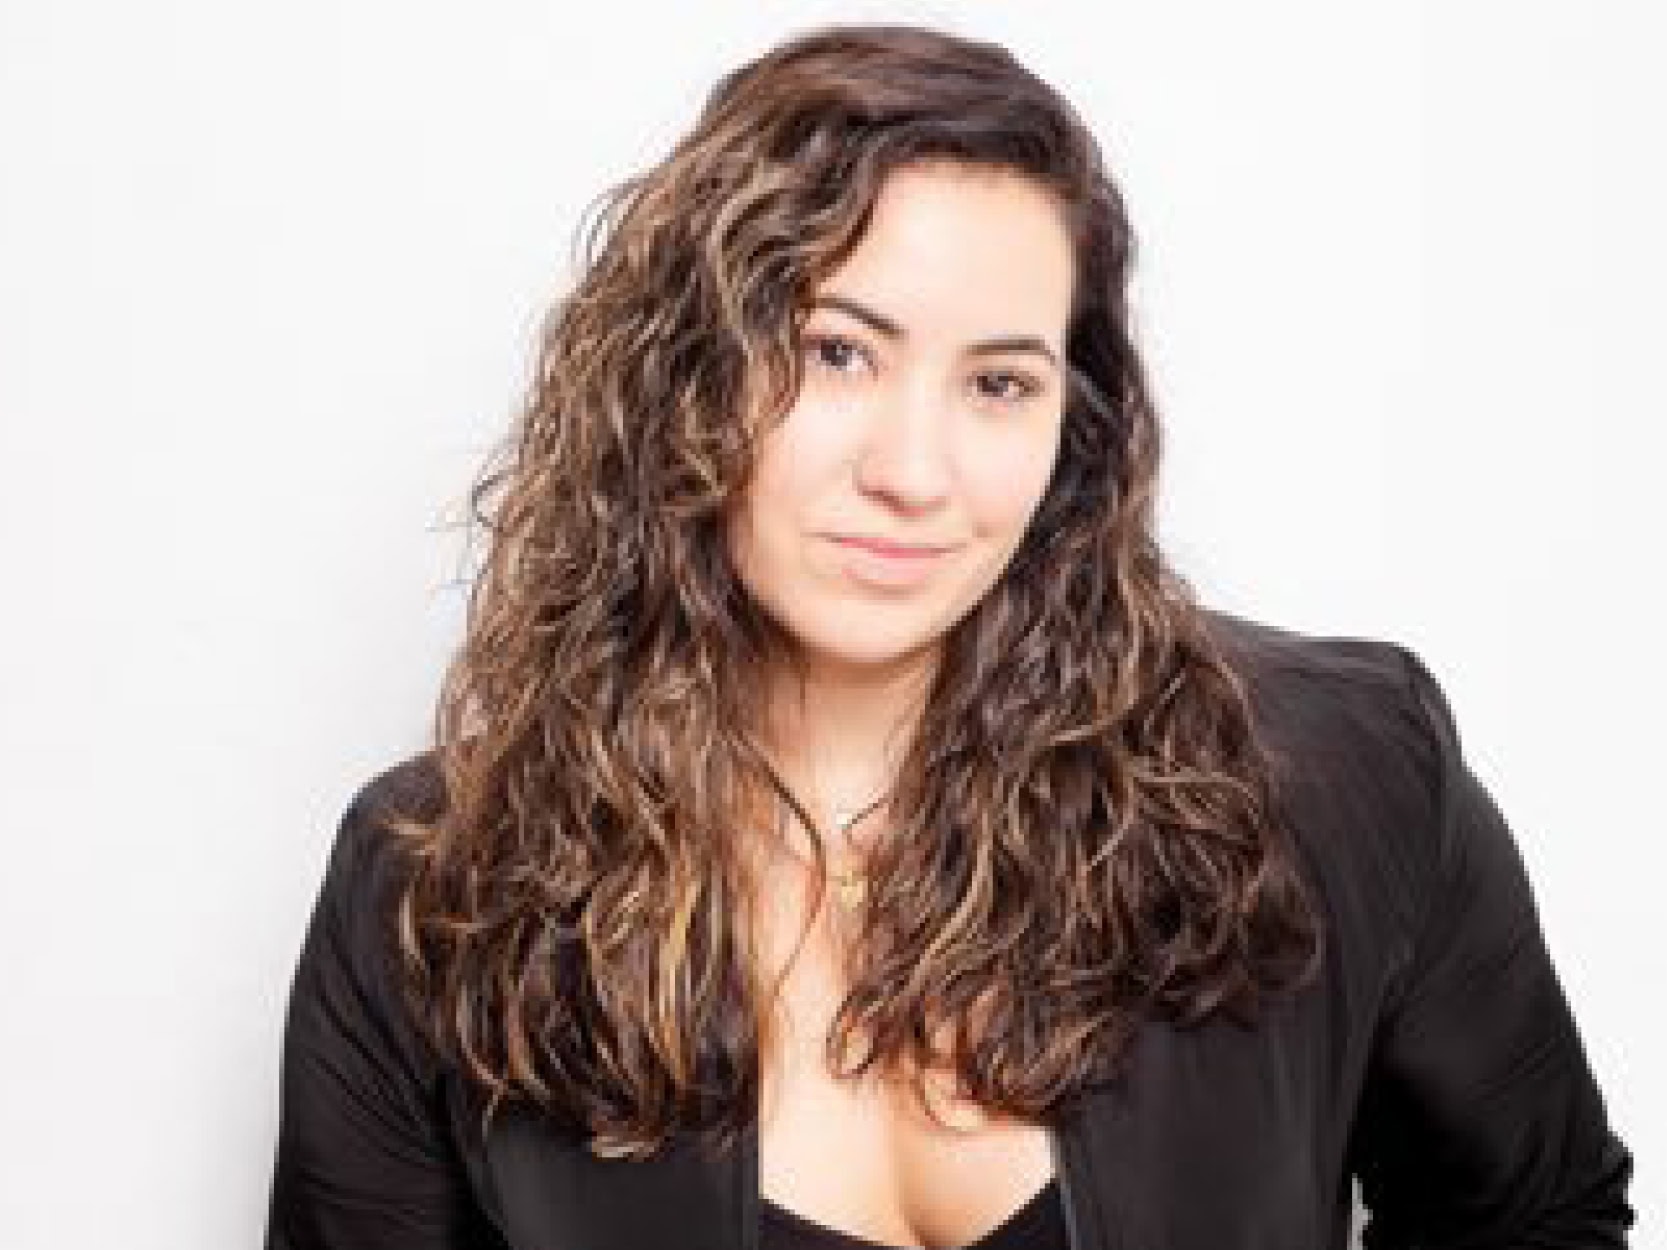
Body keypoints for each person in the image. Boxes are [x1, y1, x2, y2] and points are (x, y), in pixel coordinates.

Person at [264, 22, 1634, 1250]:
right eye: (839, 352)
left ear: (1073, 427)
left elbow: (1537, 1217)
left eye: (998, 382)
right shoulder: (435, 892)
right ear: (685, 373)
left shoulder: (1343, 775)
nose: (914, 473)